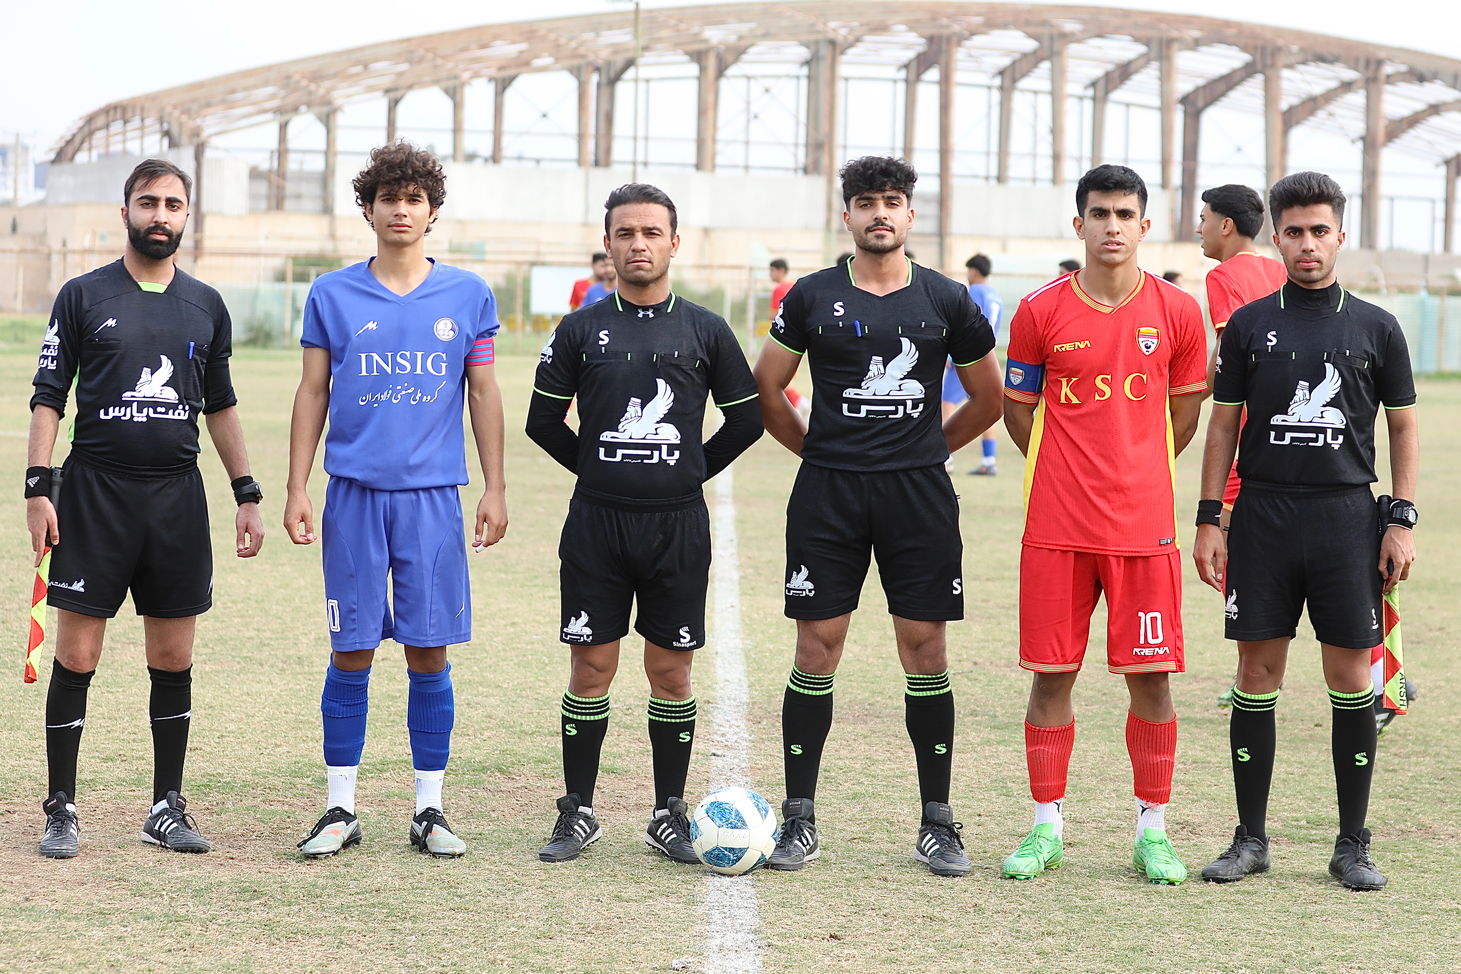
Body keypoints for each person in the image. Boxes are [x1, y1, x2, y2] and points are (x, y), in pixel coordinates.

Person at [752, 156, 1002, 877]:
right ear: (848, 216)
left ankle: (937, 821)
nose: (879, 213)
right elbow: (767, 387)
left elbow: (987, 398)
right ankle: (799, 819)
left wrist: (929, 451)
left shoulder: (947, 299)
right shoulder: (811, 295)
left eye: (892, 201)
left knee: (926, 651)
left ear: (910, 214)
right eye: (866, 202)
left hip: (917, 497)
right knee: (815, 648)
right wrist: (816, 451)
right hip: (828, 494)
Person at [29, 158, 266, 859]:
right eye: (148, 202)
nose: (160, 214)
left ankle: (166, 806)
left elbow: (220, 405)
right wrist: (38, 486)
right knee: (77, 653)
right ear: (125, 210)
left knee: (173, 654)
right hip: (94, 494)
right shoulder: (82, 295)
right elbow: (49, 396)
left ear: (187, 215)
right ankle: (61, 808)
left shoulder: (206, 305)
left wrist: (246, 492)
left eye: (172, 204)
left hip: (175, 498)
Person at [1194, 171, 1418, 890]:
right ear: (1277, 238)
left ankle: (1352, 844)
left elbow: (1402, 425)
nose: (1307, 244)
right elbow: (1222, 425)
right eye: (1293, 232)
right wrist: (1209, 517)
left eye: (1320, 230)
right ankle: (1249, 839)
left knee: (1349, 676)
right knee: (1255, 674)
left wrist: (1401, 518)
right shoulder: (1249, 325)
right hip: (1262, 516)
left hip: (1346, 518)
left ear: (1340, 235)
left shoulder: (1377, 327)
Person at [527, 183, 763, 864]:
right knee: (591, 667)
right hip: (596, 525)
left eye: (651, 233)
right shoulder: (579, 329)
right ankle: (578, 810)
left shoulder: (705, 328)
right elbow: (543, 421)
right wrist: (597, 470)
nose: (638, 244)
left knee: (671, 673)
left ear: (674, 243)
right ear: (607, 244)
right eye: (625, 233)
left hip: (677, 526)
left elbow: (746, 419)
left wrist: (688, 471)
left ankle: (668, 812)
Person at [285, 142, 508, 860]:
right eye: (389, 198)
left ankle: (429, 809)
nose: (402, 210)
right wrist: (296, 486)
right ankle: (340, 808)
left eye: (415, 199)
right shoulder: (332, 294)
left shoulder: (468, 296)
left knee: (427, 649)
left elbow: (483, 393)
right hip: (352, 495)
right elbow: (312, 391)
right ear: (369, 209)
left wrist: (495, 487)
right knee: (350, 649)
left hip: (432, 498)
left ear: (432, 212)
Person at [1001, 164, 1207, 885]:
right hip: (1055, 526)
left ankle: (1153, 831)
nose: (1111, 226)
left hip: (1142, 529)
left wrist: (1134, 466)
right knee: (1050, 676)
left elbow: (1183, 416)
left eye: (1124, 214)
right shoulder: (1038, 310)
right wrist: (1066, 470)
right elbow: (1018, 411)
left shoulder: (1178, 312)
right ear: (1078, 223)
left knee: (1150, 682)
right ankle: (1045, 828)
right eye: (1099, 213)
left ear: (1144, 226)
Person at [1195, 184, 1289, 709]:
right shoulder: (1279, 269)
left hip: (1247, 438)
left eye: (1204, 218)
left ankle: (1253, 674)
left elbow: (1231, 356)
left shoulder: (1224, 276)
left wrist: (1188, 389)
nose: (1200, 227)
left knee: (1235, 555)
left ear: (1226, 225)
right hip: (1288, 436)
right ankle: (1247, 677)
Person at [960, 254, 1004, 475]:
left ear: (973, 271)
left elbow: (966, 323)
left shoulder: (975, 291)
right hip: (989, 356)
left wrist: (952, 357)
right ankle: (989, 459)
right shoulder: (995, 295)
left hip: (968, 356)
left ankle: (945, 459)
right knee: (987, 406)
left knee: (945, 401)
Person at [770, 259, 808, 414]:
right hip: (798, 339)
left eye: (772, 270)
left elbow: (773, 314)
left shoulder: (779, 289)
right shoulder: (795, 286)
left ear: (780, 271)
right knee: (786, 379)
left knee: (778, 380)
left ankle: (798, 408)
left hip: (782, 339)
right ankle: (802, 405)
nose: (770, 274)